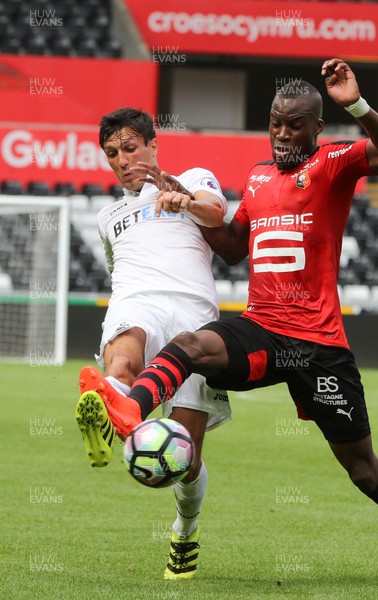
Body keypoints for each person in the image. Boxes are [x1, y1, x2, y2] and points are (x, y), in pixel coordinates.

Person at [81, 60, 378, 585]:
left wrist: (357, 105)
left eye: (294, 124)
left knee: (362, 469)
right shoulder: (255, 179)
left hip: (319, 344)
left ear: (316, 128)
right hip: (263, 328)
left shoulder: (332, 163)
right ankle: (127, 405)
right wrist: (186, 207)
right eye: (275, 122)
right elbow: (231, 249)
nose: (281, 133)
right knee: (190, 346)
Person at [75, 107, 232, 580]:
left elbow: (217, 213)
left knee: (186, 459)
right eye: (111, 154)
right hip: (136, 301)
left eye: (129, 148)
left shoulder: (193, 177)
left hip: (193, 319)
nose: (122, 160)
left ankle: (185, 528)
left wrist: (177, 194)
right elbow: (117, 267)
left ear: (152, 145)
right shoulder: (108, 216)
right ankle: (110, 405)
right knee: (122, 361)